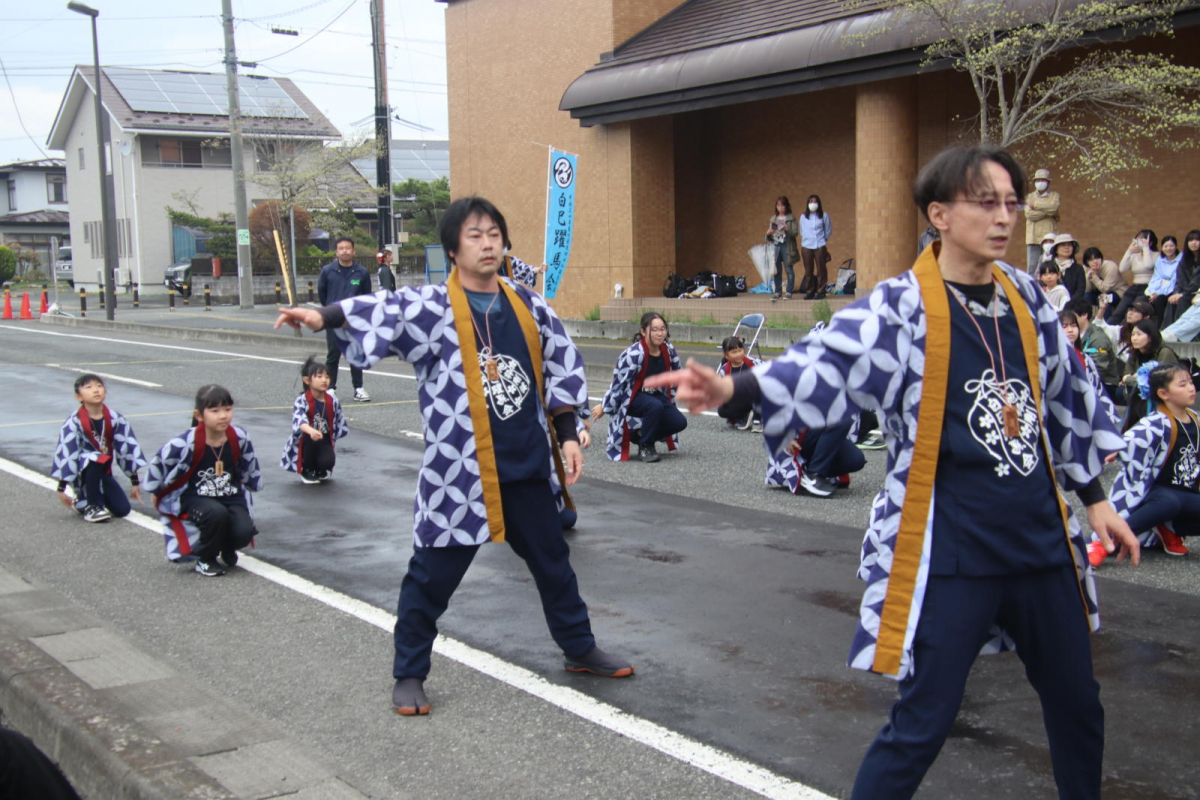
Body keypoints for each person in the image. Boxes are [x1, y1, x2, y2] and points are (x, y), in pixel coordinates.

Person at [646, 144, 1138, 800]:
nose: (1004, 217)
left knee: (1079, 705)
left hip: (1040, 541)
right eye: (986, 202)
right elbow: (828, 358)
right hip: (953, 545)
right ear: (940, 213)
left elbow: (1067, 395)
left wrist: (1095, 498)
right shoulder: (904, 306)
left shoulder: (1025, 296)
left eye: (1011, 203)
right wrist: (735, 389)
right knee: (924, 720)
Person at [274, 196, 634, 716]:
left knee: (555, 565)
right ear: (453, 249)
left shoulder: (528, 304)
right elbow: (383, 310)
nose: (487, 244)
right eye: (474, 235)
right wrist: (322, 314)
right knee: (432, 576)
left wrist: (568, 435)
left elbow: (560, 367)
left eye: (494, 234)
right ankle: (409, 672)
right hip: (459, 473)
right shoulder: (432, 307)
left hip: (527, 464)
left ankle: (579, 648)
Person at [143, 385, 262, 577]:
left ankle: (226, 546)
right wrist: (156, 491)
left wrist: (252, 484)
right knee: (216, 514)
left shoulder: (239, 437)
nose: (223, 416)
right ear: (199, 415)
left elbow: (249, 464)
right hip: (195, 498)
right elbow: (159, 462)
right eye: (215, 411)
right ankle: (205, 559)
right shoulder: (184, 443)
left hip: (230, 495)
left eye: (227, 409)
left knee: (245, 531)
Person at [1099, 362, 1200, 564]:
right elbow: (1131, 440)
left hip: (1186, 492)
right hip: (1158, 493)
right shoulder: (1155, 422)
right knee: (1170, 502)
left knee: (1177, 502)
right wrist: (1114, 449)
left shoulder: (1195, 418)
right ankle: (1107, 541)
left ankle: (1170, 527)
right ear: (1163, 393)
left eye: (1191, 382)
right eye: (1182, 384)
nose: (1191, 388)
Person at [51, 373, 146, 524]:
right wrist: (62, 488)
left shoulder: (115, 418)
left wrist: (134, 482)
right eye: (88, 387)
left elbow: (127, 448)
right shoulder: (74, 422)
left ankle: (82, 503)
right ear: (78, 397)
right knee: (95, 457)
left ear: (105, 393)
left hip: (103, 472)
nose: (96, 390)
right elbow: (67, 452)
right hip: (82, 471)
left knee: (122, 510)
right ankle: (92, 507)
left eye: (99, 386)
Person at [595, 312, 687, 463]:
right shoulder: (634, 354)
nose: (660, 333)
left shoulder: (669, 350)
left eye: (662, 329)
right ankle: (646, 446)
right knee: (655, 406)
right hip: (632, 397)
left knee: (679, 422)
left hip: (654, 395)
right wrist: (604, 405)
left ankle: (639, 435)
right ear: (643, 332)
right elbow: (618, 382)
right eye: (654, 330)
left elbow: (677, 374)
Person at [318, 237, 373, 402]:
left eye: (348, 248)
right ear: (336, 252)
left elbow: (366, 296)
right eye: (341, 248)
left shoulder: (361, 272)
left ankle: (358, 388)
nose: (345, 251)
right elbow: (322, 294)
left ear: (353, 251)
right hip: (334, 319)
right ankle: (330, 389)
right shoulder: (328, 271)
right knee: (333, 355)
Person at [280, 355, 349, 484]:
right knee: (311, 439)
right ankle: (307, 470)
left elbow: (337, 420)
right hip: (307, 439)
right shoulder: (302, 400)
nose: (324, 380)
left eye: (327, 377)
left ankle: (319, 468)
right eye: (319, 377)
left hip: (324, 438)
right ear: (307, 380)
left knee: (328, 461)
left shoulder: (332, 400)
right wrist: (311, 431)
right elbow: (299, 420)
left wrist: (334, 435)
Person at [1060, 309, 1121, 429]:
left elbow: (1097, 388)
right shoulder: (1050, 359)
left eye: (1073, 325)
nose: (1070, 330)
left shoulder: (1085, 358)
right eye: (1064, 326)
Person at [1068, 298, 1122, 402]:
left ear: (1085, 315)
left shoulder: (1098, 338)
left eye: (1073, 316)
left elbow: (1098, 370)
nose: (1070, 320)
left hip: (1104, 385)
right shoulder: (1072, 335)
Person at [1119, 319, 1179, 406]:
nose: (1134, 338)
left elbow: (1154, 380)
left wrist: (1131, 377)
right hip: (1139, 388)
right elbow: (1126, 374)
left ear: (1150, 337)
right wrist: (1132, 377)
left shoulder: (1164, 352)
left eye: (1139, 334)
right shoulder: (1135, 353)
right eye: (1133, 334)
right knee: (1120, 391)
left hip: (1164, 391)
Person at [1111, 229, 1158, 324]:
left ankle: (1123, 330)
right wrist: (1129, 251)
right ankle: (1106, 329)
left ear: (1150, 242)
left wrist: (1146, 248)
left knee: (1132, 311)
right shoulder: (1134, 255)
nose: (1138, 242)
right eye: (1137, 239)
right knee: (1120, 311)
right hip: (1134, 287)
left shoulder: (1156, 255)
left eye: (1142, 240)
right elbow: (1122, 269)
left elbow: (1148, 265)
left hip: (1147, 288)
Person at [715, 335, 759, 431]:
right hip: (739, 398)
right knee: (722, 410)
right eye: (734, 352)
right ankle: (744, 416)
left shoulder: (753, 363)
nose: (739, 354)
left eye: (740, 350)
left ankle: (758, 418)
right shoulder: (724, 370)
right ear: (726, 355)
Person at [1023, 167, 1060, 272]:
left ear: (1048, 182)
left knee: (1051, 266)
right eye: (1038, 180)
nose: (1040, 182)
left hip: (1049, 236)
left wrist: (1035, 205)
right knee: (1032, 268)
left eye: (1043, 180)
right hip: (1033, 237)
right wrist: (1047, 211)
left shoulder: (1054, 196)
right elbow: (1029, 214)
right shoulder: (1029, 197)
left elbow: (1054, 208)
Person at [1163, 230, 1200, 328]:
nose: (1193, 243)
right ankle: (1166, 330)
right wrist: (1176, 293)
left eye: (1197, 240)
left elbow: (1196, 283)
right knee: (1171, 300)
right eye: (1190, 240)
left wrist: (1182, 294)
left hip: (1196, 293)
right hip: (1185, 292)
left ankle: (1178, 330)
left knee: (1183, 300)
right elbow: (1179, 280)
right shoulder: (1184, 260)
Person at [800, 194, 833, 300]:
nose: (813, 203)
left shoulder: (824, 215)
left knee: (821, 269)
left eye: (815, 201)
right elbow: (802, 230)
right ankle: (810, 291)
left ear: (819, 203)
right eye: (811, 201)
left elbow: (828, 229)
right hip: (806, 245)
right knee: (808, 270)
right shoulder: (803, 216)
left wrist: (823, 240)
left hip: (819, 244)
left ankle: (821, 291)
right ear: (808, 204)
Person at [765, 196, 799, 299]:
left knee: (789, 269)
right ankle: (778, 292)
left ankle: (789, 291)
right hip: (776, 245)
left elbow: (795, 233)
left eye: (782, 205)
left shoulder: (791, 217)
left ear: (786, 206)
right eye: (778, 205)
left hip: (787, 245)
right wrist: (768, 234)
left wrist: (787, 228)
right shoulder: (773, 218)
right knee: (777, 270)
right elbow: (769, 238)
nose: (780, 208)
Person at [1146, 234, 1181, 321]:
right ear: (1162, 248)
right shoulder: (1160, 259)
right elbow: (1156, 277)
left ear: (1176, 247)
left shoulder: (1181, 259)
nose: (1168, 248)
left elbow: (1174, 280)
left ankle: (1162, 326)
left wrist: (1159, 293)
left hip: (1173, 289)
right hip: (1159, 289)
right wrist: (1153, 292)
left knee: (1159, 301)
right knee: (1144, 300)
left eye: (1171, 246)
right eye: (1165, 246)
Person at [1080, 246, 1123, 316]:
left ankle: (1106, 321)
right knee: (1085, 297)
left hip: (1117, 292)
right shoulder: (1085, 268)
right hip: (1098, 293)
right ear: (1087, 262)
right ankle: (1087, 319)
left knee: (1104, 298)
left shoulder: (1110, 267)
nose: (1095, 261)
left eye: (1097, 258)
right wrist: (1088, 276)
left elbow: (1105, 289)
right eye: (1091, 260)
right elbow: (1087, 290)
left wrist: (1094, 277)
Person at [1049, 233, 1086, 302]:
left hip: (1073, 305)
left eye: (1069, 245)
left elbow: (1080, 290)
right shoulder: (1048, 267)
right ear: (1056, 249)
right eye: (1063, 245)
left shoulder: (1078, 268)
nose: (1066, 247)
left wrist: (1069, 303)